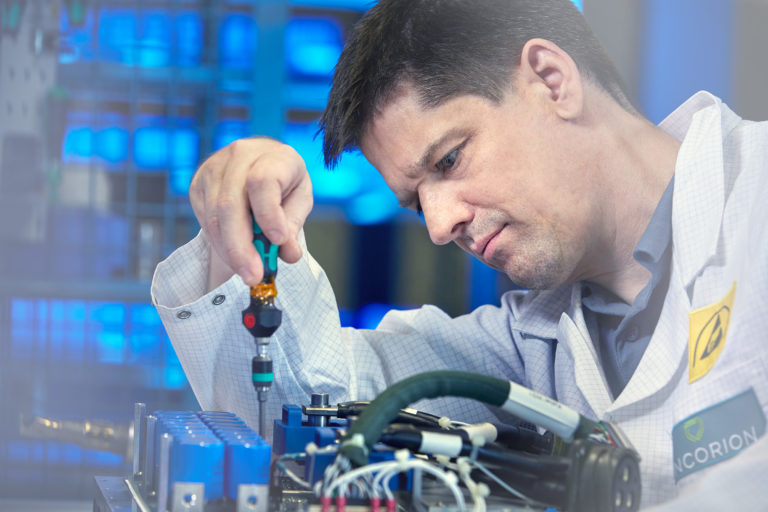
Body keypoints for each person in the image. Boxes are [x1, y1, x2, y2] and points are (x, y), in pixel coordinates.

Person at [151, 0, 768, 508]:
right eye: (419, 204)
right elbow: (309, 411)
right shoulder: (534, 345)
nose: (442, 226)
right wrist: (241, 221)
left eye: (449, 159)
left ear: (551, 82)